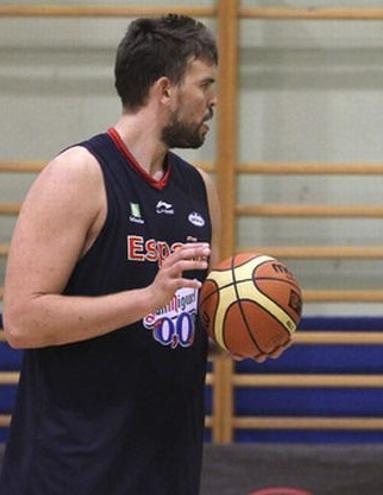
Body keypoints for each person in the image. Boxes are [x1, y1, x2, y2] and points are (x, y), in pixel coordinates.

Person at [0, 14, 222, 494]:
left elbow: (202, 322)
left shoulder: (200, 190)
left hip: (167, 470)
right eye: (205, 85)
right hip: (73, 472)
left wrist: (249, 330)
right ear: (165, 90)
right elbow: (21, 320)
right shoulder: (79, 174)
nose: (213, 101)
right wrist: (147, 299)